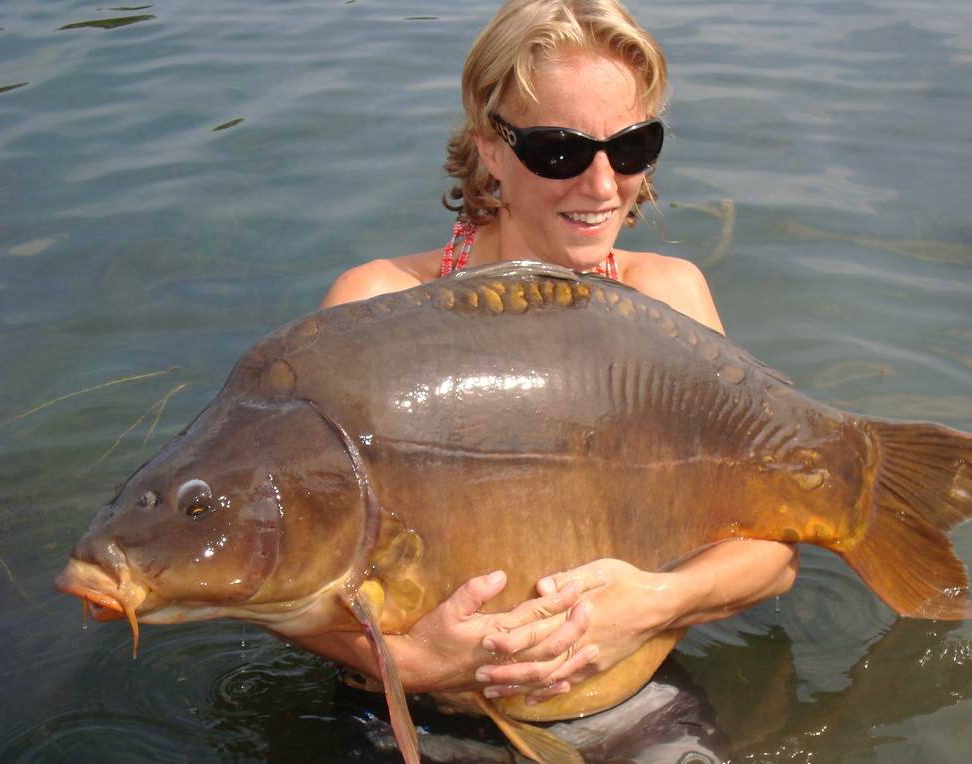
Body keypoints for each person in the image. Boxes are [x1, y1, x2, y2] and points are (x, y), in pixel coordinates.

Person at [297, 0, 798, 706]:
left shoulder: (674, 301)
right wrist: (409, 664)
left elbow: (774, 553)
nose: (600, 187)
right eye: (558, 151)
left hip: (627, 709)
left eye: (629, 148)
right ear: (491, 149)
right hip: (403, 716)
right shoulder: (374, 308)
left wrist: (656, 602)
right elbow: (263, 551)